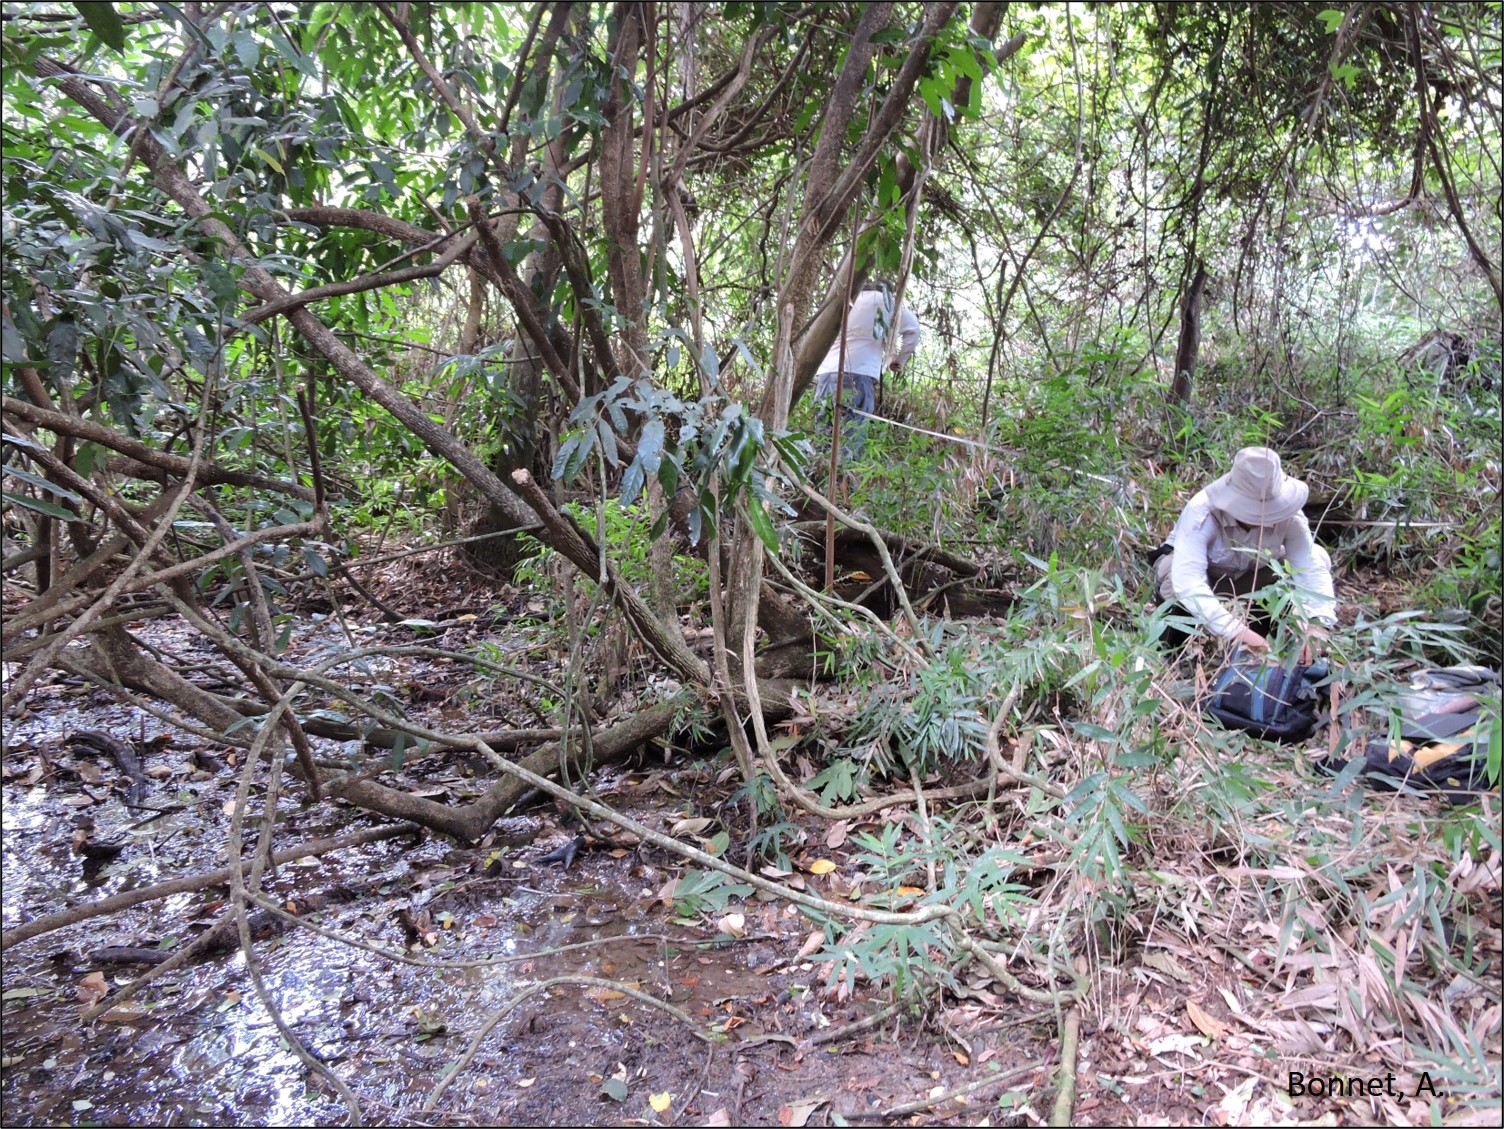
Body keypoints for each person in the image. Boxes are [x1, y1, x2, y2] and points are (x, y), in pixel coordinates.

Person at [1155, 446, 1337, 659]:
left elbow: (1308, 568)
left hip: (1249, 585)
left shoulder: (1290, 517)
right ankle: (1174, 648)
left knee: (1318, 555)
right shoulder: (1203, 512)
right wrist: (1237, 632)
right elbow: (1189, 584)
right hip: (1208, 584)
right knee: (1171, 573)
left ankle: (1264, 635)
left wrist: (1317, 624)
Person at [813, 279, 921, 462]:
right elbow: (913, 330)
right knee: (852, 436)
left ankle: (817, 479)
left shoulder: (848, 299)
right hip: (859, 374)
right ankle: (844, 486)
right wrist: (898, 362)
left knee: (823, 433)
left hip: (826, 373)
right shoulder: (888, 302)